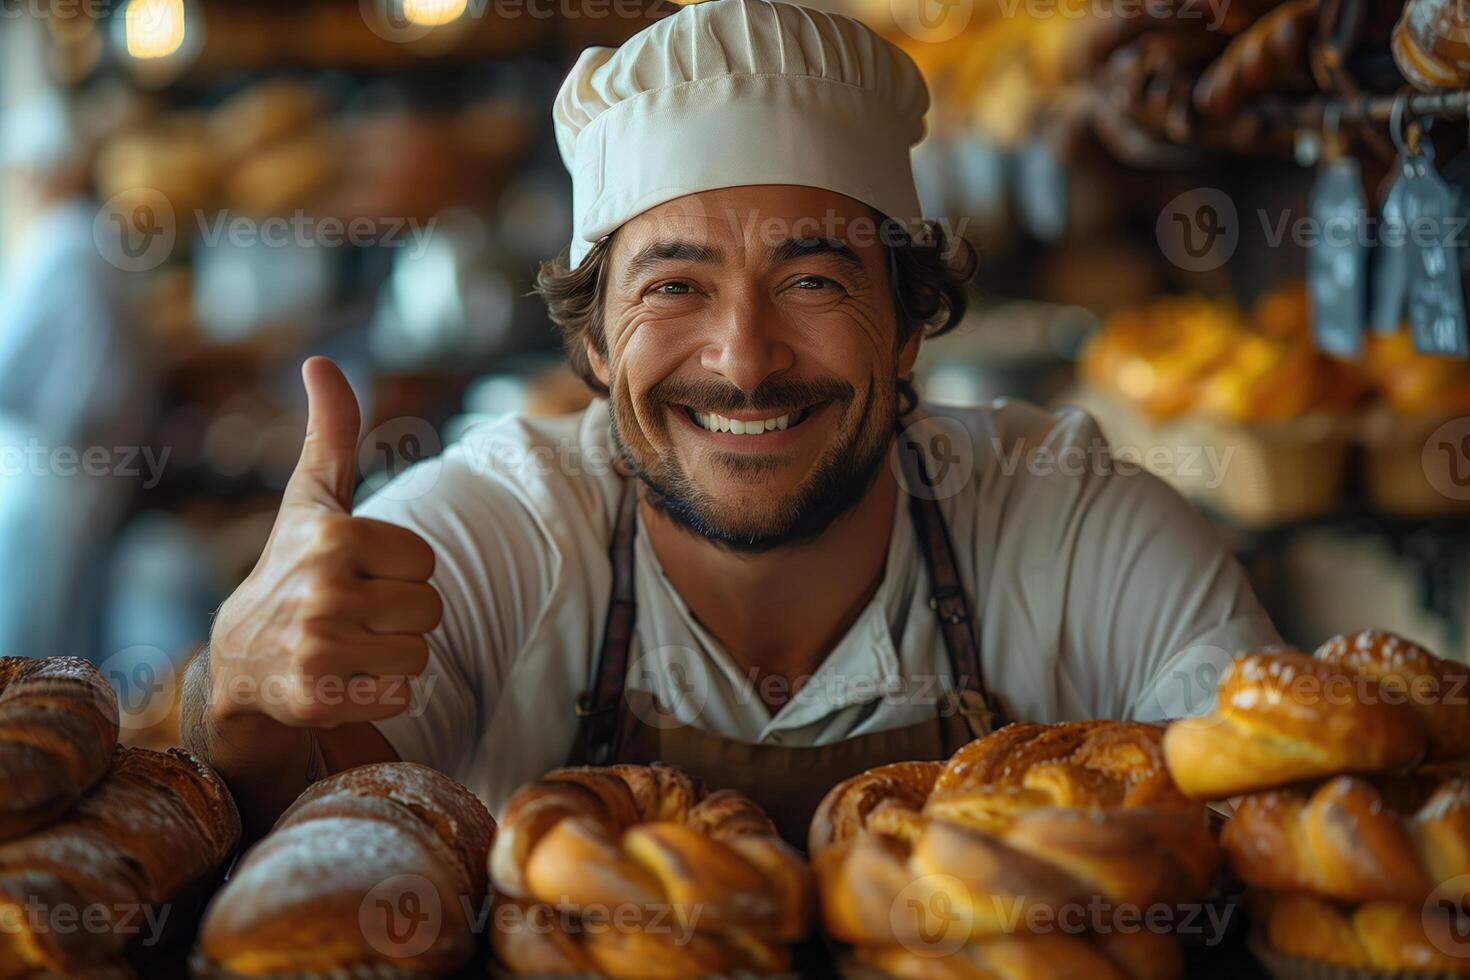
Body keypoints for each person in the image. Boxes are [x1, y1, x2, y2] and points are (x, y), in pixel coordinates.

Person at [183, 0, 1280, 842]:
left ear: (907, 327)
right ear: (596, 345)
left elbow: (1274, 802)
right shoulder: (497, 528)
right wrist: (239, 694)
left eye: (813, 280)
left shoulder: (1077, 524)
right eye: (674, 287)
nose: (745, 360)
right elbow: (312, 842)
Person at [0, 91, 151, 663]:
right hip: (82, 475)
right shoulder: (94, 241)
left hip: (49, 473)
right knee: (60, 648)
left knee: (25, 654)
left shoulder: (58, 244)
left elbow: (6, 369)